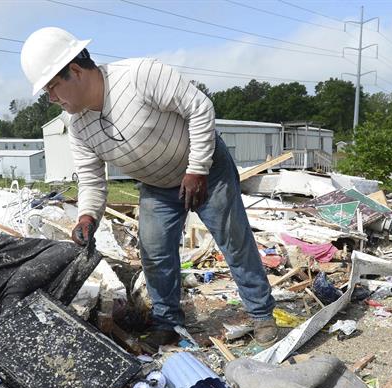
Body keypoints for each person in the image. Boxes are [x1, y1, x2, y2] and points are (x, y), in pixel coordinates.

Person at [20, 27, 278, 348]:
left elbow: (200, 108)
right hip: (158, 186)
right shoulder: (78, 126)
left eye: (52, 88)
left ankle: (262, 315)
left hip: (207, 169)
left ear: (75, 71)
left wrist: (197, 169)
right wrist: (86, 216)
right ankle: (167, 322)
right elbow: (91, 178)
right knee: (154, 253)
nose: (51, 98)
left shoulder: (140, 76)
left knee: (234, 239)